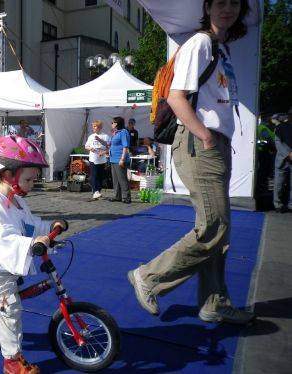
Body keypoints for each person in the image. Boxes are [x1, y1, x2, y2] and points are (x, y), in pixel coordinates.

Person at [128, 0, 255, 324]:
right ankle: (149, 276)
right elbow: (175, 95)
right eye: (220, 3)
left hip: (214, 143)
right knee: (215, 225)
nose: (228, 9)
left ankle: (215, 301)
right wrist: (206, 135)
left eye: (234, 4)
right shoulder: (199, 43)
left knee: (218, 230)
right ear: (208, 8)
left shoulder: (218, 49)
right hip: (201, 143)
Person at [0, 135, 68, 374]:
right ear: (8, 175)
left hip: (5, 267)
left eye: (34, 179)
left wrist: (50, 229)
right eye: (28, 179)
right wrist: (33, 243)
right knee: (11, 310)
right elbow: (6, 240)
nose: (32, 184)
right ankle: (12, 362)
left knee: (7, 304)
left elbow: (29, 224)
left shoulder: (17, 202)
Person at [84, 120, 110, 200]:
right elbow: (86, 146)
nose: (94, 128)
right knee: (94, 175)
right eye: (93, 126)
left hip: (102, 160)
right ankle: (95, 191)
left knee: (100, 176)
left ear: (100, 127)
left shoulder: (105, 136)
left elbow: (109, 147)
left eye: (96, 126)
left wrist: (104, 152)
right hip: (93, 158)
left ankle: (98, 191)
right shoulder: (91, 136)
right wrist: (90, 148)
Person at [108, 116, 131, 203]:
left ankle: (126, 197)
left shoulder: (123, 132)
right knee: (116, 179)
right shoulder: (116, 133)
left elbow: (125, 146)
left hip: (119, 158)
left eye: (112, 122)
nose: (111, 124)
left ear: (117, 124)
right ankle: (117, 196)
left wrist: (122, 159)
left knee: (122, 179)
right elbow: (110, 145)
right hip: (113, 158)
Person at [273, 108, 292, 213]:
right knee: (279, 184)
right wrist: (288, 154)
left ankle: (291, 205)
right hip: (282, 159)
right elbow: (278, 142)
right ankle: (278, 204)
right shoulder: (280, 127)